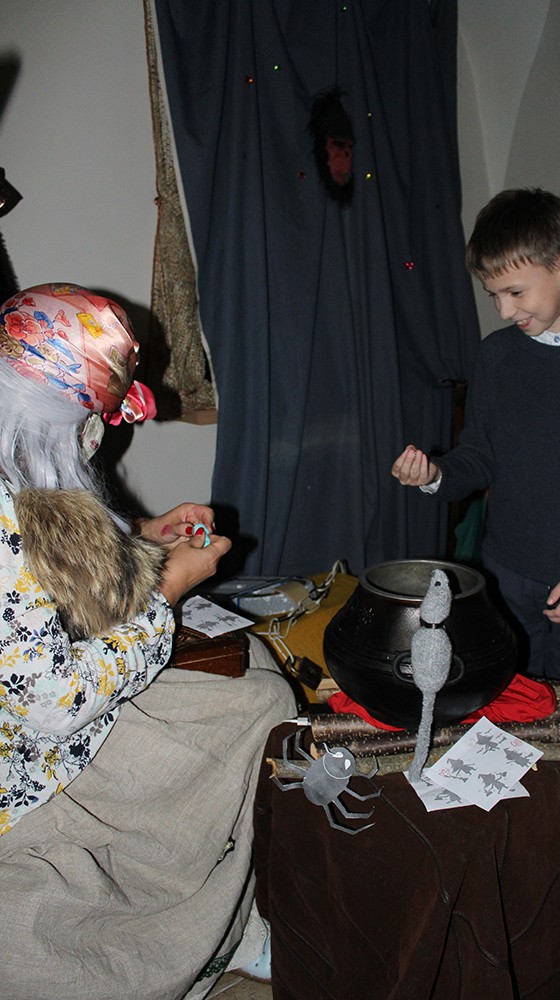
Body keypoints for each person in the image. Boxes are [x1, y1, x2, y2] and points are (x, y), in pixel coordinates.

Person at [0, 284, 296, 1000]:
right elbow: (52, 704)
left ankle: (233, 908)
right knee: (258, 708)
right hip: (29, 757)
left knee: (259, 684)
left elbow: (47, 564)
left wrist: (145, 537)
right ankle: (202, 926)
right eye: (86, 423)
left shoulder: (11, 459)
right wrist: (164, 594)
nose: (95, 438)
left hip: (46, 710)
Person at [392, 188, 560, 704]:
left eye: (515, 292)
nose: (504, 309)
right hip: (506, 577)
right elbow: (479, 456)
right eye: (493, 295)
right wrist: (435, 476)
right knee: (506, 702)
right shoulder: (497, 356)